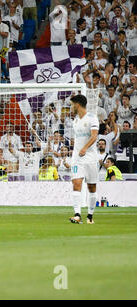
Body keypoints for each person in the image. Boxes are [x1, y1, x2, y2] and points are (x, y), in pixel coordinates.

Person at [69, 94, 99, 225]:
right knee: (76, 183)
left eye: (72, 104)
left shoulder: (92, 118)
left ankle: (90, 215)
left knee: (91, 187)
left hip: (90, 158)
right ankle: (77, 215)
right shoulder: (75, 120)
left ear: (78, 105)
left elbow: (94, 136)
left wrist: (85, 148)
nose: (71, 107)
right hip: (77, 158)